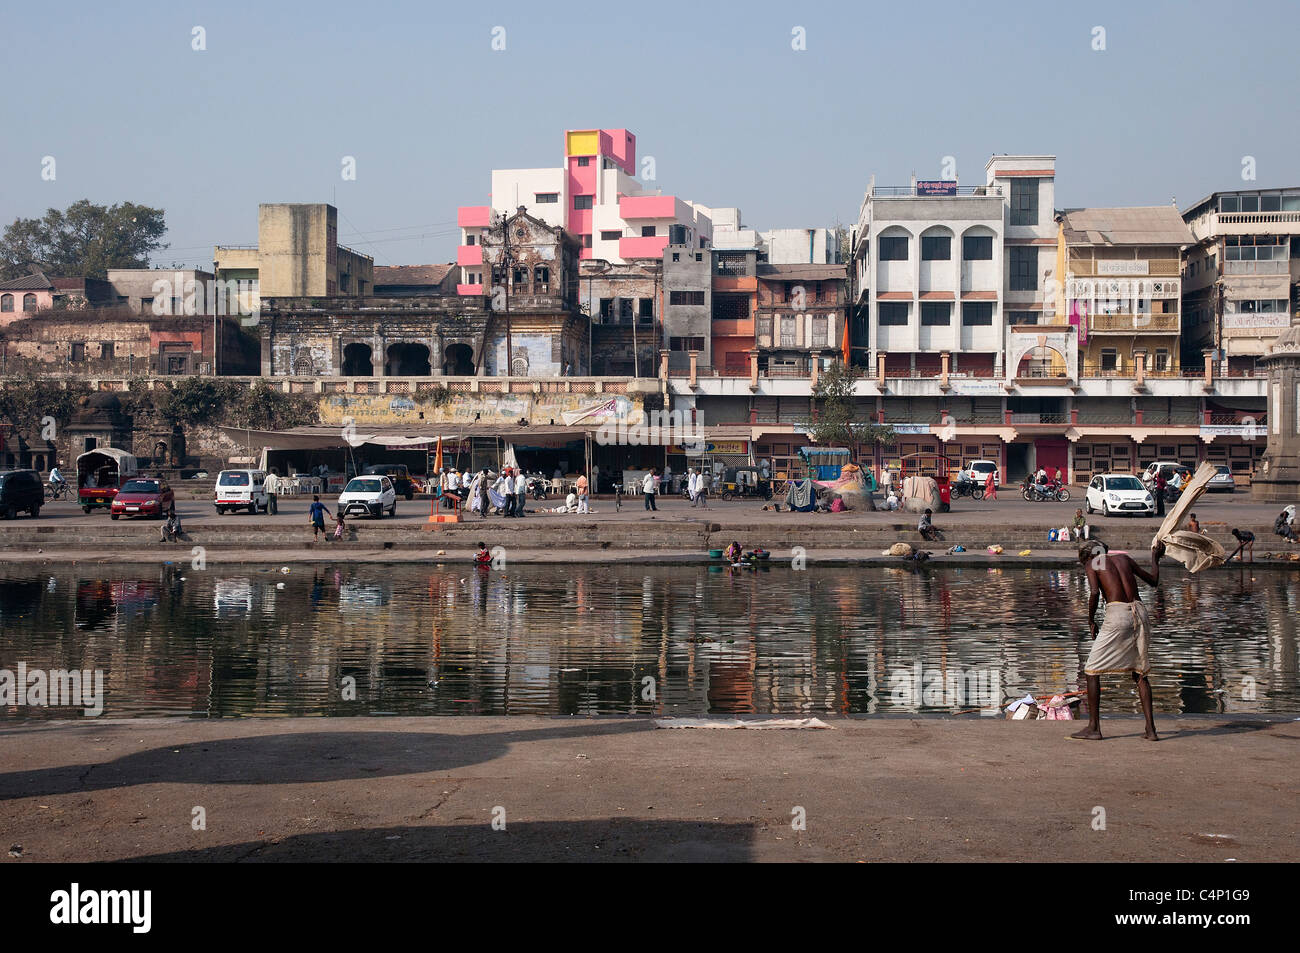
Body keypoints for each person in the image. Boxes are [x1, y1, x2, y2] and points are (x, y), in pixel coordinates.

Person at [1073, 541, 1165, 742]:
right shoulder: (1124, 558)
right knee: (1140, 672)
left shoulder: (1093, 563)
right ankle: (1151, 730)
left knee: (1091, 669)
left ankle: (1094, 728)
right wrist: (1154, 559)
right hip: (1140, 611)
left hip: (1118, 614)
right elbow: (1154, 580)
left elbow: (1095, 592)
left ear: (1088, 557)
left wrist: (1090, 620)